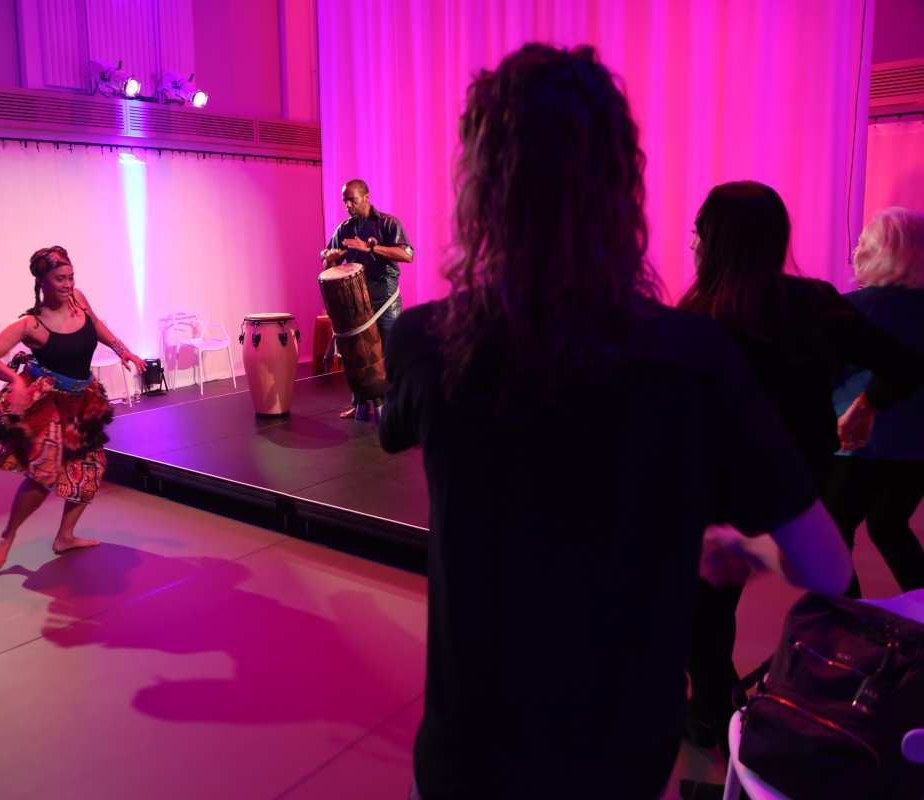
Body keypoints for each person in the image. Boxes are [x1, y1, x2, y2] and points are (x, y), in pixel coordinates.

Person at [378, 44, 852, 800]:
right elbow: (827, 569)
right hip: (622, 754)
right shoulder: (695, 358)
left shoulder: (427, 341)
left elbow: (394, 429)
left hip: (468, 754)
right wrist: (749, 547)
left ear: (481, 189)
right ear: (620, 189)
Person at [676, 183, 924, 759]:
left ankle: (733, 733)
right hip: (791, 488)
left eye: (698, 231)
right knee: (721, 609)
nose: (691, 242)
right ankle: (709, 716)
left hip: (716, 496)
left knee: (703, 626)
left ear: (714, 242)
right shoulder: (817, 301)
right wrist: (870, 405)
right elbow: (909, 366)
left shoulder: (698, 321)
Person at [0, 246, 146, 571]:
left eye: (71, 277)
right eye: (59, 278)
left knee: (92, 469)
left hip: (82, 401)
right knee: (42, 476)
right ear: (42, 282)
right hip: (50, 405)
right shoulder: (31, 324)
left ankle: (65, 536)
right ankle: (8, 536)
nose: (67, 284)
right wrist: (15, 381)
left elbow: (96, 324)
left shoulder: (77, 298)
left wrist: (123, 350)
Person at [828, 207, 924, 597]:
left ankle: (851, 636)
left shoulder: (852, 309)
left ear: (879, 251)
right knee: (889, 526)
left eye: (862, 242)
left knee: (832, 540)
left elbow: (825, 375)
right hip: (917, 450)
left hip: (857, 446)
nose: (855, 250)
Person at [321, 179, 414, 419]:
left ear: (366, 197)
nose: (348, 204)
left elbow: (407, 254)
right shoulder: (344, 228)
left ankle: (395, 406)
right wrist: (331, 257)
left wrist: (370, 248)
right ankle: (359, 402)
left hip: (385, 298)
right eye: (344, 200)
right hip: (355, 302)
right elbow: (328, 263)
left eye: (352, 199)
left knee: (388, 354)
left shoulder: (387, 223)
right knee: (357, 354)